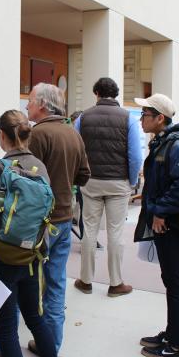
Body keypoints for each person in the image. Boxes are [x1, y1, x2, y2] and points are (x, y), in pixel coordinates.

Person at [0, 83, 90, 357]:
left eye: (30, 101)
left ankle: (1, 345)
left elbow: (21, 175)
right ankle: (52, 344)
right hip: (61, 220)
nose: (28, 106)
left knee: (11, 287)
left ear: (42, 104)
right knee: (55, 286)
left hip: (35, 227)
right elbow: (84, 175)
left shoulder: (37, 136)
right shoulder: (73, 133)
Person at [0, 110, 58, 357]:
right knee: (36, 320)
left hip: (1, 259)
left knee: (7, 329)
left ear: (1, 136)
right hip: (31, 258)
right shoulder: (40, 166)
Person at [134, 93, 179, 357]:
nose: (141, 119)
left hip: (172, 225)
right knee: (172, 282)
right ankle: (172, 333)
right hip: (167, 224)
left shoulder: (177, 145)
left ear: (160, 118)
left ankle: (176, 346)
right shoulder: (165, 142)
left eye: (145, 115)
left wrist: (160, 210)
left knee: (177, 284)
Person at [73, 77, 142, 297]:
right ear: (116, 94)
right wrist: (131, 181)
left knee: (89, 230)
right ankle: (115, 283)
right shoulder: (128, 119)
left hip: (91, 182)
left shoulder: (83, 118)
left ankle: (85, 280)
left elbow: (77, 150)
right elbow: (134, 155)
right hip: (118, 182)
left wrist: (80, 176)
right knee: (115, 232)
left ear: (97, 93)